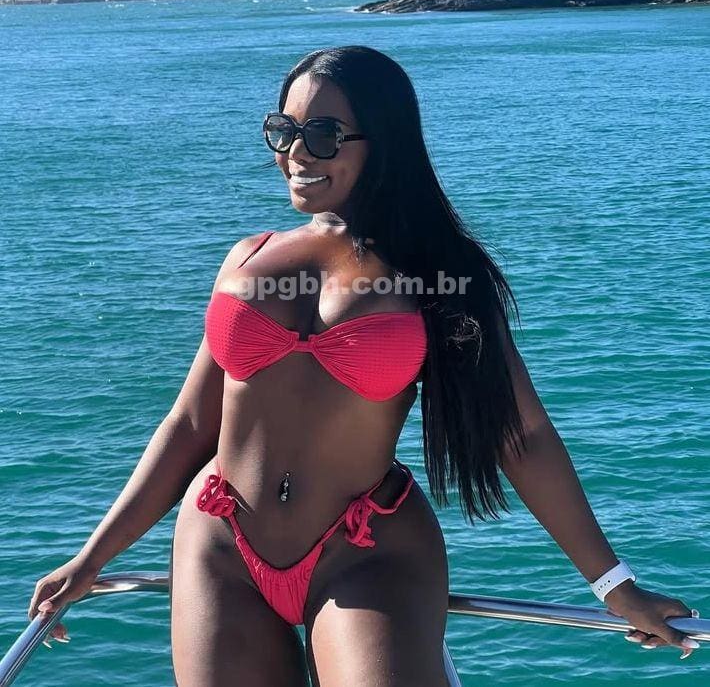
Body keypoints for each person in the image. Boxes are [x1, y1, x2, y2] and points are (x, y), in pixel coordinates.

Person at [28, 46, 699, 686]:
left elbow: (519, 434)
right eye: (283, 130)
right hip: (221, 546)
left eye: (323, 135)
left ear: (384, 142)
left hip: (365, 554)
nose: (296, 153)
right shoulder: (248, 258)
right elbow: (190, 423)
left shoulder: (440, 274)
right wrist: (93, 557)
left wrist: (616, 586)